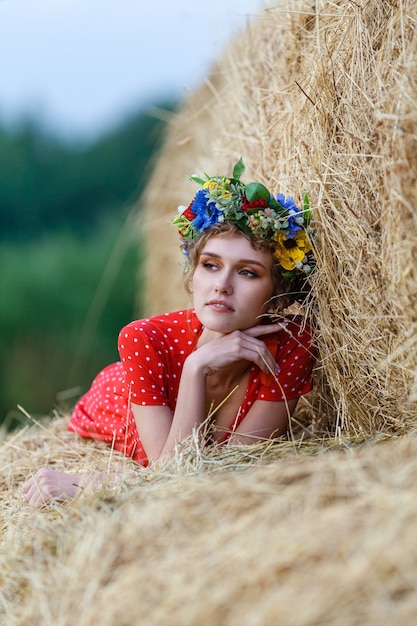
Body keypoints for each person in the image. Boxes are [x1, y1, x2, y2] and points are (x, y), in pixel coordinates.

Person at [23, 158, 316, 507]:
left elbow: (231, 468)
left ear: (278, 291)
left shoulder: (293, 345)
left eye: (248, 273)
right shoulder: (142, 338)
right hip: (117, 397)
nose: (221, 285)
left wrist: (87, 484)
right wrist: (196, 366)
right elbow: (171, 473)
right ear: (192, 275)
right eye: (210, 265)